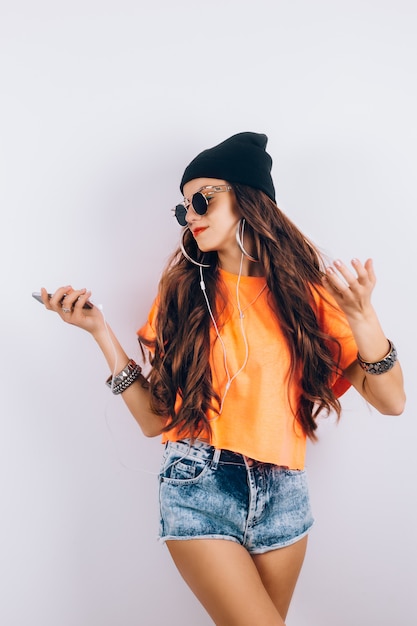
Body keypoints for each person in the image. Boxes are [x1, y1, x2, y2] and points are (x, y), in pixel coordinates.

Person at [39, 132, 406, 626]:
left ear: (249, 198)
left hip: (284, 495)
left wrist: (364, 320)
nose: (189, 215)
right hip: (198, 486)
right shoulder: (183, 297)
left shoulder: (312, 299)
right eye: (183, 208)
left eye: (201, 198)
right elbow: (155, 421)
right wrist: (99, 331)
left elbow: (392, 401)